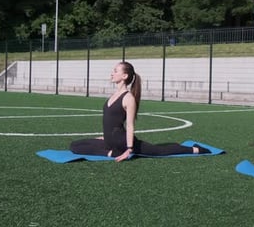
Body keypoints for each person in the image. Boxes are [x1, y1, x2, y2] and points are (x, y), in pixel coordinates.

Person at [70, 61, 210, 162]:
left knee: (159, 151)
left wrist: (129, 149)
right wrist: (104, 135)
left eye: (115, 71)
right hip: (109, 141)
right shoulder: (113, 95)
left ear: (124, 76)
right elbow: (110, 121)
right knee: (75, 146)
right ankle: (111, 153)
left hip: (122, 142)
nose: (112, 73)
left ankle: (196, 149)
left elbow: (130, 125)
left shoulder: (128, 98)